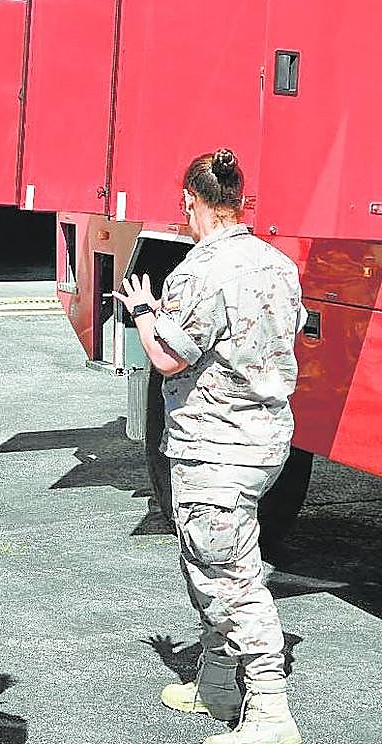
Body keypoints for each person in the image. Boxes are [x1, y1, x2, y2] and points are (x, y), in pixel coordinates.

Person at [113, 149, 305, 744]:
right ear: (241, 201)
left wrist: (143, 311)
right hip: (266, 439)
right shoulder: (278, 263)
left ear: (189, 202)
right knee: (216, 560)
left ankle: (270, 711)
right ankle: (217, 684)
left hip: (215, 444)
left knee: (227, 576)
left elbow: (168, 356)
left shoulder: (198, 272)